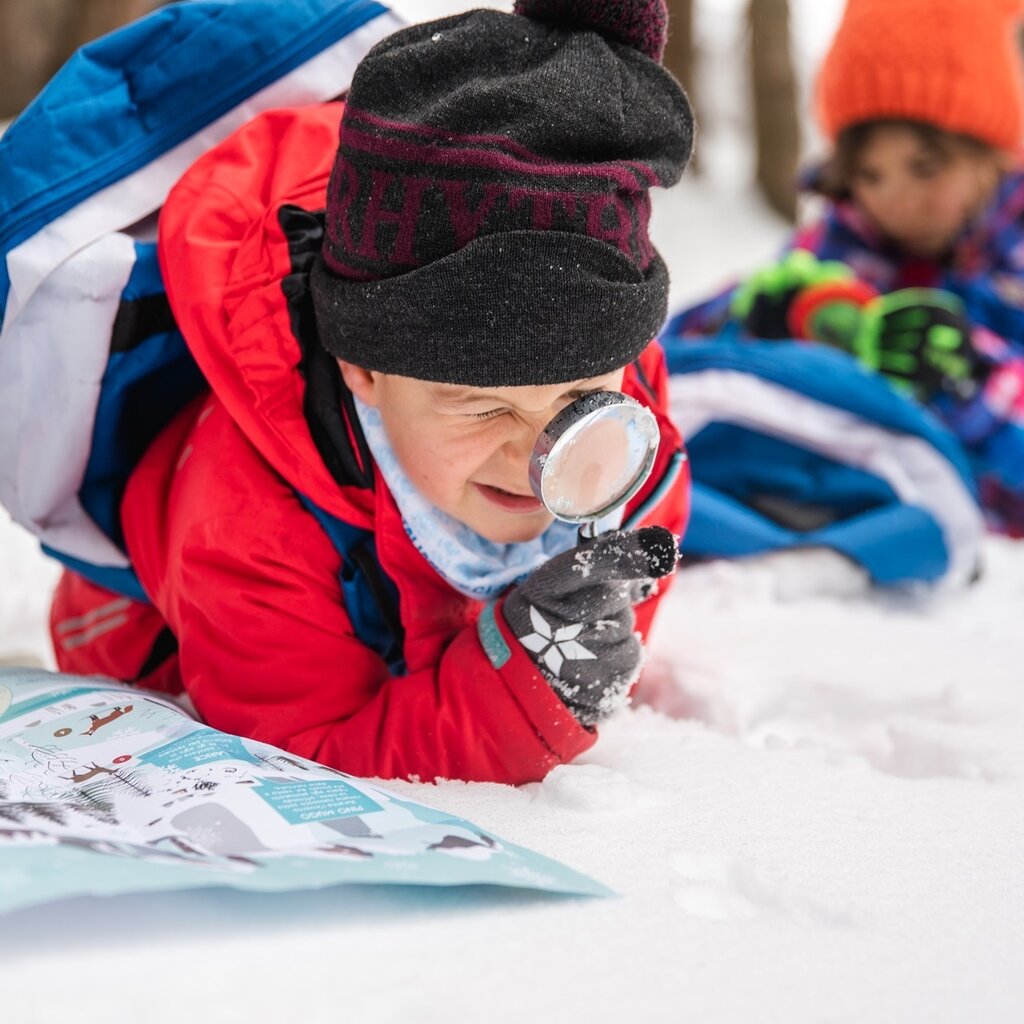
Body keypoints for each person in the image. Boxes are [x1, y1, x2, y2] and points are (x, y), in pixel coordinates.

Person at [46, 0, 694, 784]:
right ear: (364, 370)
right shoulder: (247, 525)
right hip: (186, 642)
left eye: (579, 397)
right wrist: (526, 693)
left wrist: (582, 641)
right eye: (483, 405)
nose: (538, 456)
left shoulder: (634, 443)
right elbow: (303, 752)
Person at [665, 0, 1024, 538]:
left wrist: (971, 378)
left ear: (988, 155)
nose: (897, 200)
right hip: (840, 507)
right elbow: (673, 359)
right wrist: (758, 318)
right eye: (872, 175)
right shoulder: (843, 239)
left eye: (925, 168)